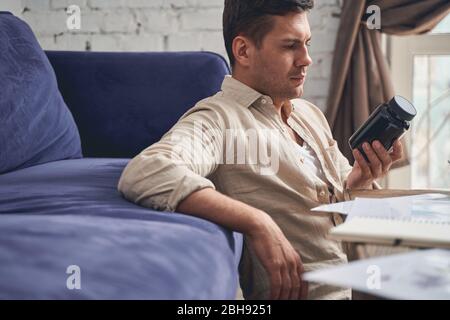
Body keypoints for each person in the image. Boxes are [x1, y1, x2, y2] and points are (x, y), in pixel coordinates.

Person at [118, 0, 403, 300]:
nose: (306, 59)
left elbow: (343, 221)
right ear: (243, 51)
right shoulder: (218, 120)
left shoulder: (309, 116)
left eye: (306, 43)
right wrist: (258, 222)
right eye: (290, 46)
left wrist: (357, 186)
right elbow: (147, 170)